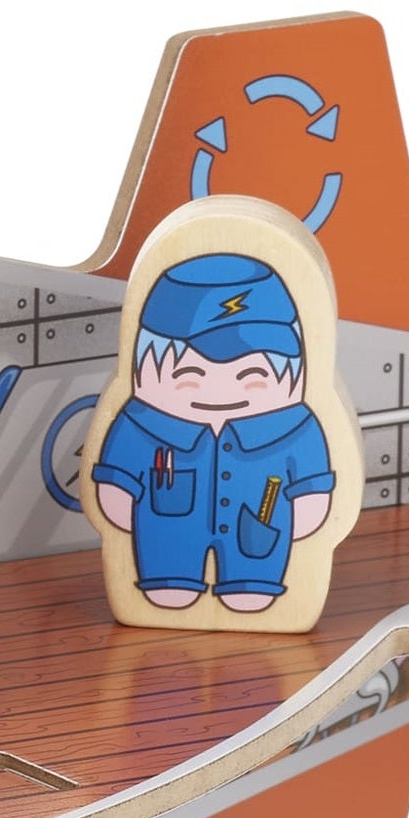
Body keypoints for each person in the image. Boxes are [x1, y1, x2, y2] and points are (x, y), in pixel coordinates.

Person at [87, 251, 339, 613]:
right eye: (191, 375)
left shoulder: (295, 427)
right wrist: (119, 504)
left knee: (251, 591)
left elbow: (312, 490)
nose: (223, 391)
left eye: (252, 375)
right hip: (166, 542)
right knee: (168, 589)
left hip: (257, 543)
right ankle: (171, 581)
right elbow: (115, 486)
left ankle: (248, 583)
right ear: (146, 368)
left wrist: (306, 510)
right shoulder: (142, 422)